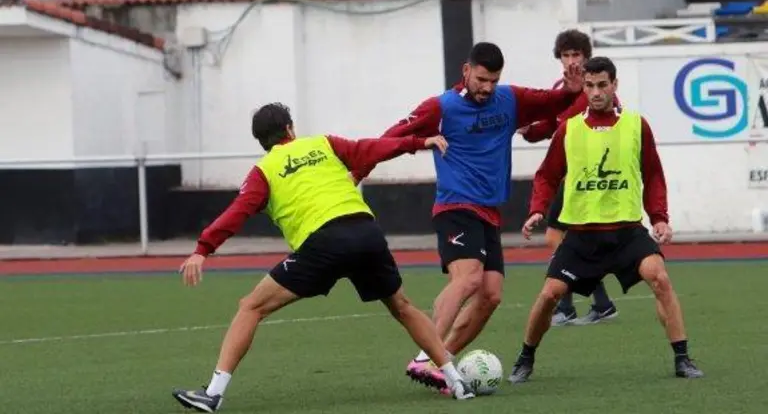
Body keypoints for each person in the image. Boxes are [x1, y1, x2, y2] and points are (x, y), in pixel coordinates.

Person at [172, 103, 476, 413]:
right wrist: (417, 143)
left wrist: (202, 249)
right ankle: (456, 380)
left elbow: (236, 214)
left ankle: (213, 394)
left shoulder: (263, 171)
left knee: (251, 306)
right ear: (290, 128)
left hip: (324, 243)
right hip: (366, 232)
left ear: (261, 141)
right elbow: (369, 149)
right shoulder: (323, 143)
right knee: (402, 306)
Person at [350, 42, 584, 393]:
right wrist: (362, 166)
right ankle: (427, 357)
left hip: (489, 213)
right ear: (466, 71)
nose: (486, 87)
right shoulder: (440, 107)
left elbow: (554, 103)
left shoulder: (510, 100)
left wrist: (571, 89)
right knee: (469, 278)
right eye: (481, 79)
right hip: (455, 206)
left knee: (491, 295)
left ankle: (440, 361)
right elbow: (392, 137)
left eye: (493, 80)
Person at [507, 56, 704, 384]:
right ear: (583, 87)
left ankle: (683, 357)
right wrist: (537, 209)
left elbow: (653, 173)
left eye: (602, 85)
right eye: (589, 86)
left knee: (660, 278)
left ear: (614, 85)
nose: (595, 92)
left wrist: (659, 217)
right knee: (549, 295)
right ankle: (525, 357)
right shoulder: (569, 129)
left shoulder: (636, 125)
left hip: (627, 232)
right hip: (582, 236)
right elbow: (546, 175)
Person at [518, 29, 619, 326]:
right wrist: (530, 130)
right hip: (569, 176)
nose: (572, 60)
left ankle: (572, 306)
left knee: (558, 238)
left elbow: (569, 121)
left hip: (589, 176)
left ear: (586, 57)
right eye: (567, 54)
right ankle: (594, 304)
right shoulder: (560, 88)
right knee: (567, 240)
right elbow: (554, 126)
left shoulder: (594, 91)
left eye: (577, 54)